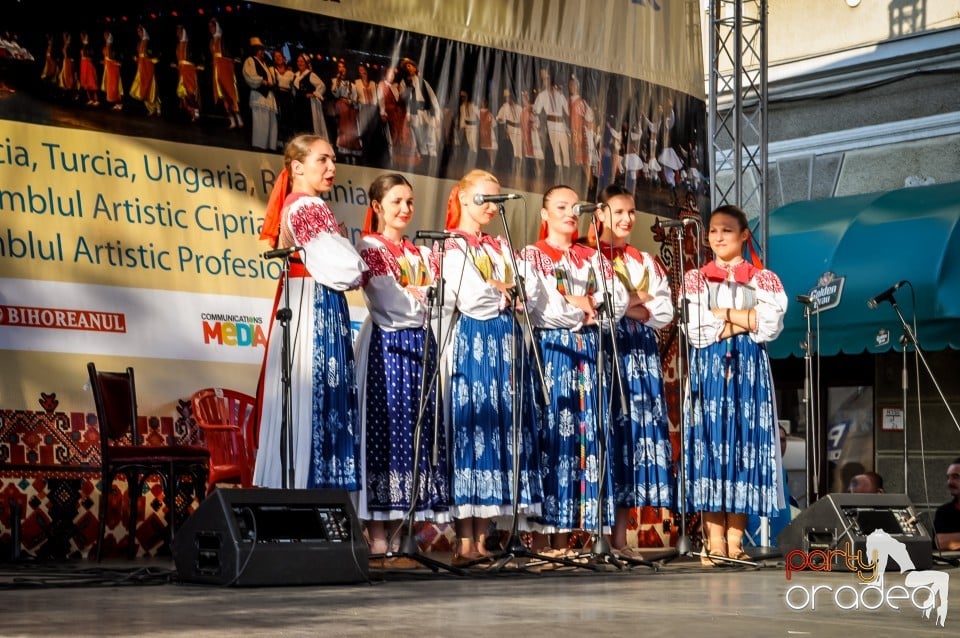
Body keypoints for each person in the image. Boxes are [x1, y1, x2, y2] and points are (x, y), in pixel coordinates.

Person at [253, 134, 367, 491]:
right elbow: (344, 267)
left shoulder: (306, 206)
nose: (332, 167)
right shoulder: (306, 207)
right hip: (312, 304)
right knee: (313, 392)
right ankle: (308, 488)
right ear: (298, 167)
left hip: (308, 297)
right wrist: (356, 261)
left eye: (333, 160)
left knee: (310, 396)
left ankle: (301, 486)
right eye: (323, 160)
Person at [441, 169, 542, 562]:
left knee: (499, 434)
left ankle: (481, 539)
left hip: (506, 345)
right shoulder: (451, 245)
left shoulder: (502, 247)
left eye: (497, 201)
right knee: (474, 431)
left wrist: (504, 291)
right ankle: (462, 540)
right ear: (464, 199)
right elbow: (470, 298)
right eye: (484, 199)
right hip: (473, 342)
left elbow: (529, 289)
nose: (491, 208)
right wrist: (503, 292)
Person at [519, 185, 627, 553]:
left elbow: (619, 301)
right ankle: (542, 540)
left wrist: (581, 302)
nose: (570, 212)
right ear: (544, 214)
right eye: (560, 206)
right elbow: (541, 310)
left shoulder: (592, 256)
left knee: (586, 437)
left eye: (574, 206)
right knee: (553, 436)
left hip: (590, 354)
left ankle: (567, 538)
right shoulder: (532, 255)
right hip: (553, 351)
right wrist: (582, 309)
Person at [682, 204, 788, 564]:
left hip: (749, 369)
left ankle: (735, 540)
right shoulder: (697, 278)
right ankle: (713, 540)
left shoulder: (763, 278)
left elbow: (771, 324)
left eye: (726, 230)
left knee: (743, 446)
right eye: (713, 231)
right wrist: (747, 319)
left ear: (744, 235)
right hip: (709, 368)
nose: (718, 237)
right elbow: (696, 330)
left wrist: (723, 317)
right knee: (712, 447)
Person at [354, 174, 451, 558]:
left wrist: (417, 294)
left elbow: (438, 301)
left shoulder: (421, 253)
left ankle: (400, 530)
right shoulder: (370, 247)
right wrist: (416, 296)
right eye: (396, 202)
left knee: (415, 436)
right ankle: (377, 533)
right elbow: (392, 306)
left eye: (409, 202)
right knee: (383, 433)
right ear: (377, 207)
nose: (405, 209)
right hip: (386, 346)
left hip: (420, 348)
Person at [592, 184, 674, 553]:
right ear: (600, 213)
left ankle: (620, 536)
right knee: (602, 435)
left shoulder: (643, 259)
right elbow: (601, 304)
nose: (626, 219)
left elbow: (666, 310)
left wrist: (627, 305)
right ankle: (592, 535)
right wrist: (636, 303)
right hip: (602, 349)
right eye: (618, 212)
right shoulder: (587, 255)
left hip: (639, 355)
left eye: (631, 213)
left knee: (631, 438)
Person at [242, 37, 278, 151]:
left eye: (262, 49)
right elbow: (249, 76)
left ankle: (269, 145)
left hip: (268, 97)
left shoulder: (265, 64)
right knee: (260, 122)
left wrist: (271, 82)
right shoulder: (250, 60)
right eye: (259, 49)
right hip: (259, 96)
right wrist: (262, 81)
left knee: (270, 122)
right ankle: (259, 145)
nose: (261, 52)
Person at [401, 57, 440, 161]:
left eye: (410, 66)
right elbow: (406, 99)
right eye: (406, 67)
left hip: (426, 111)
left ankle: (432, 157)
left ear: (414, 68)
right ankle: (423, 158)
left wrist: (437, 116)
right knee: (419, 137)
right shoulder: (404, 82)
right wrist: (408, 113)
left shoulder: (423, 81)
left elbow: (433, 98)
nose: (408, 68)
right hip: (415, 112)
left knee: (430, 135)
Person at [208, 18, 242, 129]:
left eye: (212, 26)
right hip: (216, 69)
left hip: (225, 67)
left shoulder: (223, 39)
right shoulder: (211, 41)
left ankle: (238, 117)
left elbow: (229, 52)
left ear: (216, 26)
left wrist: (233, 59)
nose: (211, 29)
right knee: (221, 94)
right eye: (209, 27)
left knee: (230, 92)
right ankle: (231, 119)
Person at [331, 59, 361, 162]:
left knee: (351, 130)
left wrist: (351, 102)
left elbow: (355, 98)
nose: (341, 69)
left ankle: (352, 156)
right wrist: (338, 80)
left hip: (350, 109)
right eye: (339, 67)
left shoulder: (351, 84)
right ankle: (345, 156)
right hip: (341, 107)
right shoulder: (335, 81)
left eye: (343, 67)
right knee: (343, 129)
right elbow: (335, 93)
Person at [291, 53, 328, 140]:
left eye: (302, 61)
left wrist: (314, 94)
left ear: (306, 63)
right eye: (298, 61)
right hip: (298, 103)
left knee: (307, 125)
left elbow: (322, 86)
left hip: (307, 105)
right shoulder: (295, 75)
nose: (299, 63)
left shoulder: (310, 74)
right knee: (299, 126)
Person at [129, 25, 160, 117]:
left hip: (148, 67)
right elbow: (138, 56)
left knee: (151, 87)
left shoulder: (150, 43)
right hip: (141, 68)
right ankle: (150, 108)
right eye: (138, 32)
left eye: (140, 31)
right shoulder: (139, 43)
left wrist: (153, 58)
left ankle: (157, 106)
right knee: (143, 88)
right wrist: (136, 58)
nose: (139, 33)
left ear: (144, 32)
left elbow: (155, 55)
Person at [175, 25, 201, 122]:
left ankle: (196, 111)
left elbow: (195, 57)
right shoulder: (178, 46)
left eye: (180, 31)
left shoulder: (189, 45)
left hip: (189, 72)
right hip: (181, 72)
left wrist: (198, 65)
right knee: (182, 93)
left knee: (190, 92)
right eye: (177, 31)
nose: (178, 34)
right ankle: (192, 112)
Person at [933, 458, 960, 550]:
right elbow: (940, 542)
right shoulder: (944, 512)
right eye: (948, 477)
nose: (949, 482)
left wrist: (954, 540)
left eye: (955, 477)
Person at [495, 89, 523, 174]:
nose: (508, 99)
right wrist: (501, 120)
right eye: (506, 97)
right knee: (514, 149)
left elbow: (522, 119)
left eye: (509, 97)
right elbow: (499, 117)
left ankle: (520, 167)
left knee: (519, 150)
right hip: (510, 129)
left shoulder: (519, 107)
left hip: (518, 130)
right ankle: (515, 168)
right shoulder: (505, 107)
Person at [272, 50, 295, 147]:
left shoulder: (290, 71)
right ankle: (279, 141)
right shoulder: (272, 70)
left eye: (279, 56)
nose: (278, 58)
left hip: (288, 96)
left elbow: (294, 86)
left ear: (283, 58)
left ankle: (288, 141)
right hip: (277, 95)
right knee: (279, 118)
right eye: (276, 56)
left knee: (288, 118)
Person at [101, 31, 123, 111]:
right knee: (111, 86)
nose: (105, 36)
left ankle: (120, 102)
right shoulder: (106, 46)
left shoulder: (113, 46)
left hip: (113, 68)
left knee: (116, 85)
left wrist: (116, 62)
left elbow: (117, 57)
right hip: (108, 68)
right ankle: (116, 102)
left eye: (106, 35)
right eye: (104, 35)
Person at [78, 32, 99, 107]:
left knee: (92, 81)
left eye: (83, 36)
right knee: (85, 81)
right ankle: (90, 99)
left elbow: (92, 54)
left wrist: (89, 58)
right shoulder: (83, 45)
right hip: (83, 64)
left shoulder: (89, 45)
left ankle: (96, 99)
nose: (82, 38)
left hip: (89, 64)